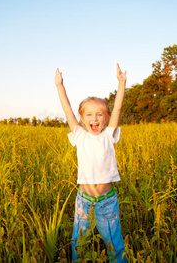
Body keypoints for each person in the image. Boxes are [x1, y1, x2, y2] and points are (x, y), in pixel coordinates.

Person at [54, 63, 127, 263]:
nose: (94, 118)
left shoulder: (108, 136)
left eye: (99, 115)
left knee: (113, 244)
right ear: (82, 119)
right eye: (89, 115)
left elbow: (118, 107)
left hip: (107, 202)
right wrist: (60, 86)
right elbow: (68, 111)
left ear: (106, 119)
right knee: (78, 241)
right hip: (83, 202)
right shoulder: (79, 135)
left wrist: (122, 83)